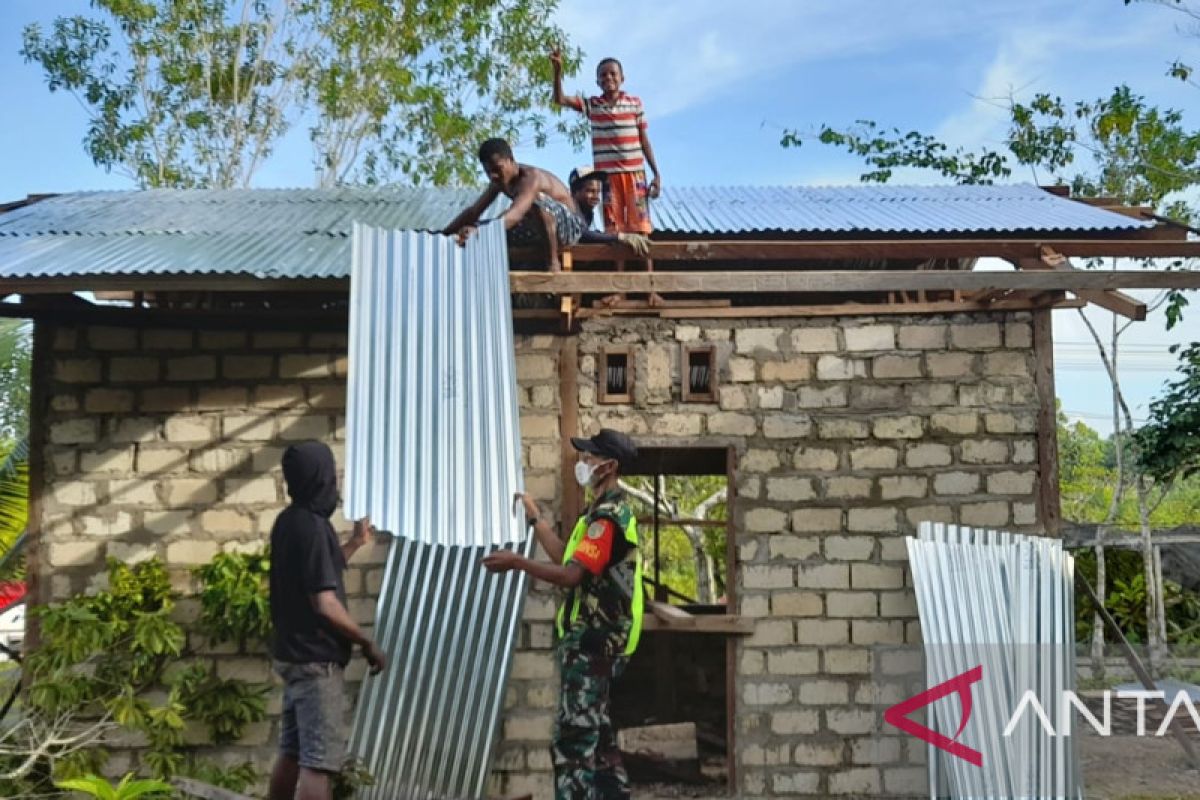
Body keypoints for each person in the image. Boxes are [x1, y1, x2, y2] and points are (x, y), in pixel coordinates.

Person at [483, 429, 644, 800]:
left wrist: (516, 562)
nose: (583, 463)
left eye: (589, 457)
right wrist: (535, 520)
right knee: (599, 741)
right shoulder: (599, 513)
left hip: (593, 645)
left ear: (610, 466)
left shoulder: (607, 519)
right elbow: (566, 558)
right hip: (596, 645)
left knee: (573, 743)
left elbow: (571, 576)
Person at [268, 441, 387, 800]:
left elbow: (314, 573)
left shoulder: (288, 522)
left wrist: (353, 544)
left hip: (292, 658)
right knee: (318, 762)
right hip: (317, 663)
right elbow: (324, 602)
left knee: (292, 751)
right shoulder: (315, 527)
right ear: (320, 477)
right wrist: (366, 643)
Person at [551, 54, 661, 233]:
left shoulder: (634, 104)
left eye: (613, 74)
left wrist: (656, 173)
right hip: (608, 177)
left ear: (622, 78)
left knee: (641, 228)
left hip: (635, 175)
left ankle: (645, 262)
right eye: (603, 75)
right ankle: (618, 263)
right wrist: (557, 71)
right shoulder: (594, 105)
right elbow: (560, 99)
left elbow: (644, 140)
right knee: (614, 229)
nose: (608, 78)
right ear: (597, 82)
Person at [443, 138, 583, 272]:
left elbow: (515, 214)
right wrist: (445, 234)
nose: (493, 176)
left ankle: (552, 262)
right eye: (488, 172)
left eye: (498, 169)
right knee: (473, 228)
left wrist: (481, 232)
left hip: (569, 227)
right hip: (536, 228)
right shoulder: (499, 181)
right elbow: (474, 212)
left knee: (536, 205)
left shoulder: (530, 178)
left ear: (511, 161)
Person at [569, 166, 650, 255]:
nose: (596, 197)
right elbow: (581, 234)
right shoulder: (570, 208)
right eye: (590, 191)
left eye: (598, 192)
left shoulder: (587, 213)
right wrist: (620, 237)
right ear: (575, 192)